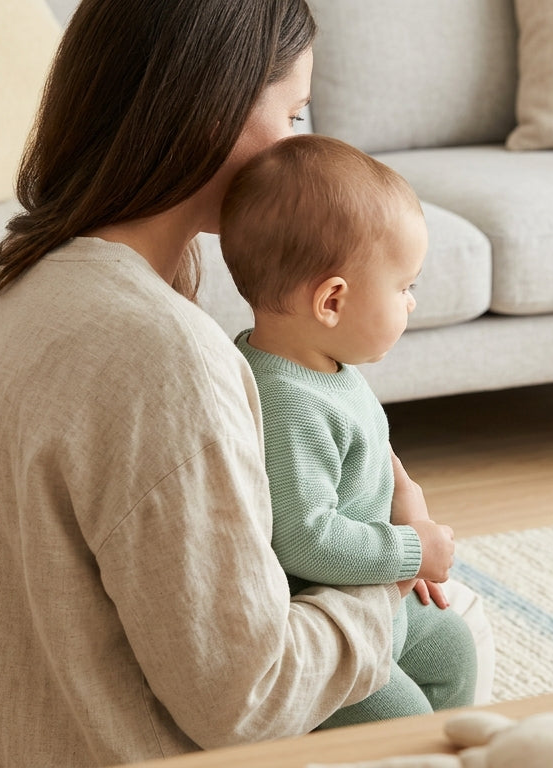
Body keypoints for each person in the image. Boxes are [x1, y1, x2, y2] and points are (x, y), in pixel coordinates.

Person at [0, 1, 467, 766]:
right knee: (430, 694)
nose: (302, 145)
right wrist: (396, 558)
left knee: (436, 664)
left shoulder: (11, 270)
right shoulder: (160, 357)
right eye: (293, 113)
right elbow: (247, 699)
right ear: (208, 108)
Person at [219, 134, 478, 728]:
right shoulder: (287, 403)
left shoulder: (322, 368)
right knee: (404, 719)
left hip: (373, 600)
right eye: (404, 287)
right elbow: (306, 540)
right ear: (332, 300)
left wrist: (407, 501)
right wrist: (412, 549)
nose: (411, 303)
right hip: (327, 629)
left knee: (452, 649)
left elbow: (366, 444)